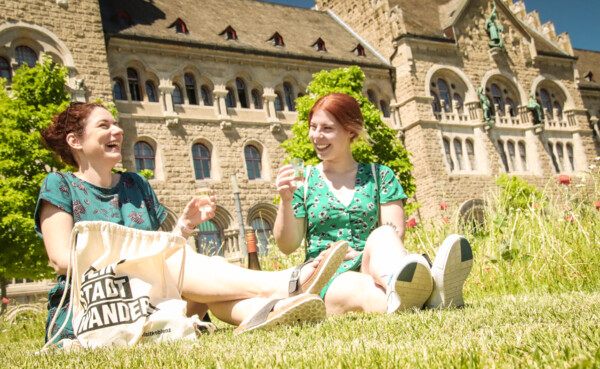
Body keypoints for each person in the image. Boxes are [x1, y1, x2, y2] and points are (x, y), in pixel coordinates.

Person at [35, 102, 348, 343]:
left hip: (151, 298)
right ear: (75, 140)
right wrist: (142, 261)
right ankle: (282, 285)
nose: (117, 130)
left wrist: (183, 227)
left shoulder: (134, 184)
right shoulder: (60, 185)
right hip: (94, 307)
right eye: (104, 125)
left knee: (189, 270)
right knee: (182, 267)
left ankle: (267, 310)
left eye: (116, 123)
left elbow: (163, 255)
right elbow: (60, 259)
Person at [273, 93, 473, 315]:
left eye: (327, 128)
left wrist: (361, 252)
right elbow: (287, 245)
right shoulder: (305, 180)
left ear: (351, 131)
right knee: (362, 289)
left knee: (385, 233)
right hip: (327, 274)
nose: (316, 136)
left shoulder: (380, 176)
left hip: (373, 266)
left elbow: (394, 236)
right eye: (313, 127)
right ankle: (432, 292)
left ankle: (404, 287)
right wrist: (286, 199)